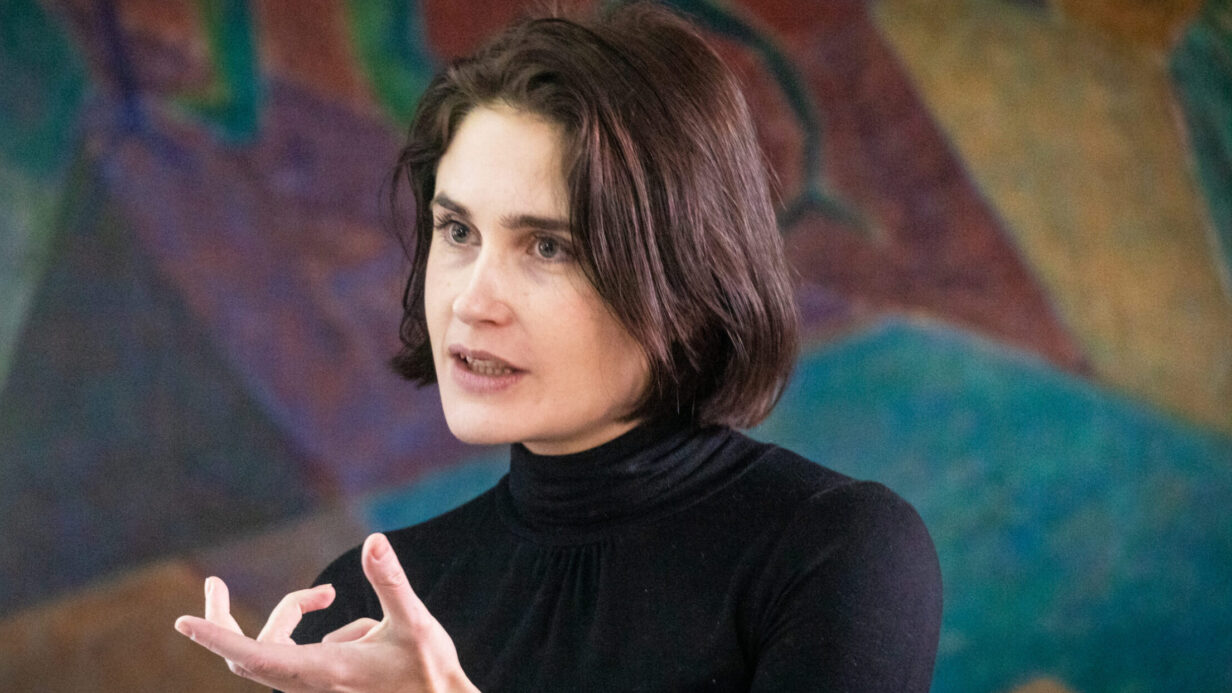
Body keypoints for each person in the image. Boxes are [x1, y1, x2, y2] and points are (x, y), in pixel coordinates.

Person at [174, 4, 943, 691]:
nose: (472, 301)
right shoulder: (362, 602)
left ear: (684, 277)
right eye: (457, 230)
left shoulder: (838, 550)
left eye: (548, 247)